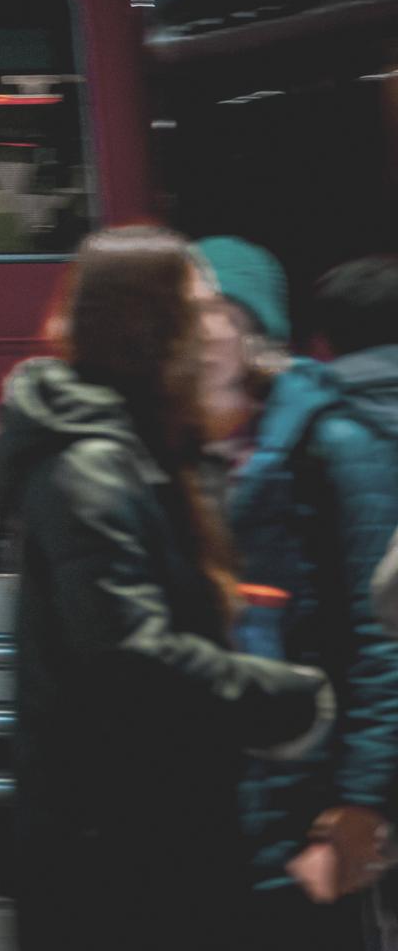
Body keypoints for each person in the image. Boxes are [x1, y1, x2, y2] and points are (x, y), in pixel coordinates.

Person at [0, 225, 333, 951]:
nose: (217, 325)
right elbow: (129, 654)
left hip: (158, 836)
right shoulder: (92, 467)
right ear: (146, 327)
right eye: (201, 304)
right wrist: (285, 695)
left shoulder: (152, 452)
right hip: (113, 855)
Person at [191, 242, 398, 945]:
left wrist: (356, 808)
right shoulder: (171, 455)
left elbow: (382, 642)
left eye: (216, 313)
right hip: (219, 805)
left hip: (311, 803)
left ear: (258, 332)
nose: (196, 335)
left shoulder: (333, 442)